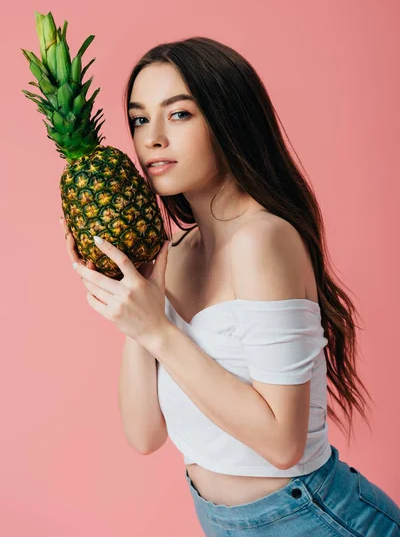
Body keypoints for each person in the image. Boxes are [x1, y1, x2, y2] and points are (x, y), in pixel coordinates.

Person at [61, 37, 400, 536]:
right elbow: (144, 434)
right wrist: (133, 313)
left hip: (313, 520)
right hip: (222, 523)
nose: (152, 138)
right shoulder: (174, 255)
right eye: (138, 119)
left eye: (178, 115)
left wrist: (159, 332)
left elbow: (283, 444)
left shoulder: (264, 239)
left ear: (228, 118)